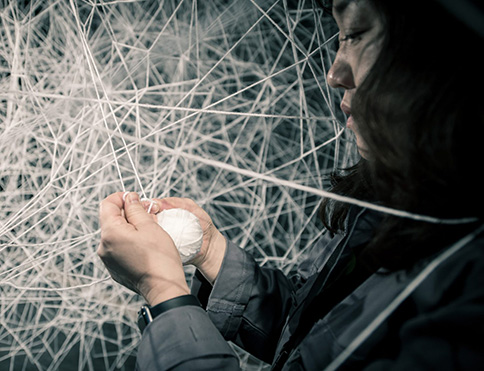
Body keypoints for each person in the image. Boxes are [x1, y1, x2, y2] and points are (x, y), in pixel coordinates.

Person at [98, 0, 484, 369]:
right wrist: (210, 251)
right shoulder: (400, 200)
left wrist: (164, 292)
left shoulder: (471, 298)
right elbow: (312, 336)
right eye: (339, 37)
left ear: (449, 57)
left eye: (356, 33)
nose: (334, 74)